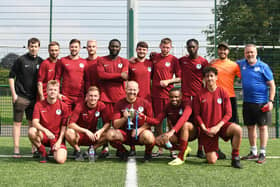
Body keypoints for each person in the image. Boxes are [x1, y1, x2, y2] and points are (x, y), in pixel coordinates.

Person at [193, 67, 242, 168]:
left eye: (212, 76)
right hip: (207, 129)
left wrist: (218, 127)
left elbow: (228, 113)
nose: (209, 78)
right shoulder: (199, 94)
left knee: (238, 129)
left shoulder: (223, 92)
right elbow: (197, 114)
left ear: (216, 77)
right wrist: (203, 128)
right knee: (212, 161)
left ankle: (235, 158)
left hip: (220, 126)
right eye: (207, 76)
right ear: (204, 79)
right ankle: (216, 151)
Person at [238, 44, 275, 164]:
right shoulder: (241, 64)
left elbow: (272, 85)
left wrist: (270, 101)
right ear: (244, 54)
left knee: (263, 128)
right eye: (247, 52)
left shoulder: (263, 66)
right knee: (250, 127)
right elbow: (227, 64)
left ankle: (262, 152)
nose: (249, 54)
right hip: (247, 103)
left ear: (256, 53)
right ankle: (253, 152)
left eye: (251, 52)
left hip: (261, 103)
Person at [8, 37, 43, 157]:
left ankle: (34, 149)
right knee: (17, 123)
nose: (33, 48)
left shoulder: (41, 62)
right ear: (28, 47)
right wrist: (14, 95)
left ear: (39, 47)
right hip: (21, 97)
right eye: (31, 46)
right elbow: (11, 77)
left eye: (36, 46)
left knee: (32, 124)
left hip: (35, 99)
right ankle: (16, 150)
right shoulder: (21, 60)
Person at [106, 81, 155, 162]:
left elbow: (151, 122)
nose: (132, 92)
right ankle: (123, 151)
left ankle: (148, 153)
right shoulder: (119, 103)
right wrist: (124, 118)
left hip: (139, 134)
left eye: (134, 90)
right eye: (130, 89)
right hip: (125, 134)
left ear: (138, 90)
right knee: (110, 134)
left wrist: (139, 130)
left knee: (149, 137)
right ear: (125, 90)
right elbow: (115, 125)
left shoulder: (145, 103)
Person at [146, 87, 196, 165]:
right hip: (177, 133)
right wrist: (144, 118)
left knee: (185, 124)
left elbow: (184, 118)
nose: (174, 99)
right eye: (171, 97)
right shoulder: (168, 106)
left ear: (181, 96)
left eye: (176, 97)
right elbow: (157, 121)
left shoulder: (187, 103)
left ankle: (181, 157)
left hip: (192, 132)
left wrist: (171, 132)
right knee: (157, 141)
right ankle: (183, 148)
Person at [96, 39, 129, 157]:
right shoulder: (101, 60)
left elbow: (126, 77)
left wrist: (111, 76)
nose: (114, 48)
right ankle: (105, 148)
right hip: (105, 98)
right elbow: (101, 75)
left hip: (120, 99)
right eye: (112, 46)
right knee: (105, 124)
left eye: (117, 47)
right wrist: (119, 75)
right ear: (108, 47)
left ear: (120, 48)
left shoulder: (124, 61)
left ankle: (120, 148)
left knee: (119, 125)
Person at [179, 39, 210, 158]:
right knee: (182, 121)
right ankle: (182, 148)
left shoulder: (203, 61)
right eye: (189, 47)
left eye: (193, 47)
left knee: (200, 122)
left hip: (198, 97)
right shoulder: (182, 60)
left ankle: (200, 149)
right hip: (186, 97)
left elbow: (207, 78)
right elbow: (171, 62)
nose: (191, 49)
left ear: (197, 47)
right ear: (187, 48)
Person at [150, 38, 181, 156]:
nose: (165, 49)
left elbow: (179, 77)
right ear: (160, 46)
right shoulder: (154, 58)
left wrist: (168, 81)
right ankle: (160, 149)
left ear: (171, 48)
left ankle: (172, 149)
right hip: (156, 96)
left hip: (169, 96)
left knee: (170, 122)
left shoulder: (174, 60)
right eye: (163, 47)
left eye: (168, 47)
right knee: (157, 123)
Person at [65, 86, 111, 161]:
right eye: (91, 96)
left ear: (99, 97)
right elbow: (70, 124)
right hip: (80, 136)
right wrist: (85, 131)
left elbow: (108, 123)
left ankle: (91, 150)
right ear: (87, 96)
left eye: (95, 96)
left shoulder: (102, 106)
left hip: (93, 136)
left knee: (109, 133)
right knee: (68, 132)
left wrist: (100, 131)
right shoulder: (80, 105)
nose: (93, 98)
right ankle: (78, 151)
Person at [28, 80, 69, 163]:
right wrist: (46, 131)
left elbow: (64, 127)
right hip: (44, 136)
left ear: (58, 91)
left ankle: (53, 150)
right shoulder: (39, 105)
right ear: (46, 91)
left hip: (57, 138)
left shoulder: (64, 106)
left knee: (60, 160)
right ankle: (43, 152)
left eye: (55, 90)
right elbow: (35, 122)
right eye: (50, 89)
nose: (52, 92)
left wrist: (59, 142)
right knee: (31, 131)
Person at [128, 41, 153, 156]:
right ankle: (132, 147)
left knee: (147, 122)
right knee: (131, 122)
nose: (142, 51)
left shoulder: (151, 63)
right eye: (140, 49)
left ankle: (149, 149)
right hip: (133, 98)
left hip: (147, 98)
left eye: (144, 49)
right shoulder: (131, 64)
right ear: (136, 50)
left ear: (146, 51)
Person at [210, 42, 241, 123]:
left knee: (232, 124)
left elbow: (244, 77)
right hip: (215, 96)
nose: (222, 51)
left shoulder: (234, 65)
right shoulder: (212, 64)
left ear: (228, 51)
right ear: (217, 51)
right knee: (214, 122)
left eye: (225, 49)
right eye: (220, 49)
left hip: (230, 96)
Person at [55, 39, 87, 110]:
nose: (74, 49)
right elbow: (57, 77)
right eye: (72, 47)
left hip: (80, 97)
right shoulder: (63, 60)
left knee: (78, 119)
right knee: (65, 119)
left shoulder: (84, 62)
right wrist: (57, 93)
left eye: (76, 47)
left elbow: (87, 80)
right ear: (69, 47)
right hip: (66, 96)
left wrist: (86, 94)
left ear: (79, 48)